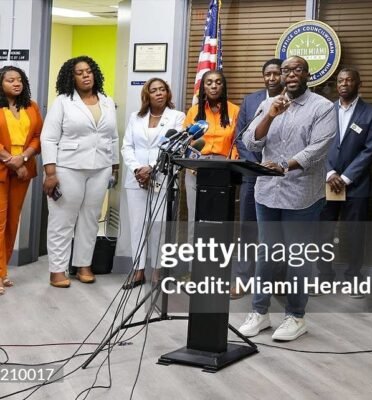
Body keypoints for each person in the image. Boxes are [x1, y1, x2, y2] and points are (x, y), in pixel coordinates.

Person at [239, 56, 336, 341]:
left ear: (308, 74)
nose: (291, 74)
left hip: (301, 194)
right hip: (267, 192)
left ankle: (295, 316)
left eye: (297, 70)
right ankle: (259, 312)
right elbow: (250, 141)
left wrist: (284, 166)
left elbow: (318, 149)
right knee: (266, 253)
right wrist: (270, 115)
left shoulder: (322, 107)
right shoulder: (269, 103)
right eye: (286, 71)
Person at [41, 56, 119, 288]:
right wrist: (50, 172)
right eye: (79, 72)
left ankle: (84, 265)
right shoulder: (63, 102)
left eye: (88, 71)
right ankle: (57, 269)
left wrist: (114, 166)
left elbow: (113, 137)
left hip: (100, 167)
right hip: (68, 167)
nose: (85, 75)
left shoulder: (106, 101)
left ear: (95, 74)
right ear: (71, 77)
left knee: (90, 219)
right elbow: (48, 138)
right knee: (62, 219)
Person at [315, 68, 372, 298]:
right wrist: (330, 173)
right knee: (323, 233)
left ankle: (354, 276)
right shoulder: (325, 110)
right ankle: (324, 275)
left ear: (359, 84)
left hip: (356, 184)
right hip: (327, 181)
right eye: (341, 80)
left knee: (355, 234)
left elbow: (370, 149)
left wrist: (345, 178)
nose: (344, 84)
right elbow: (317, 144)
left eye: (349, 80)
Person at [121, 78, 185, 289]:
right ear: (147, 95)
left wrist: (151, 168)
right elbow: (127, 146)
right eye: (154, 90)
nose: (158, 93)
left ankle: (157, 271)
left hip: (162, 177)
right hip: (136, 178)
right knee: (137, 225)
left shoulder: (177, 117)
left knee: (159, 226)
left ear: (168, 93)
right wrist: (137, 169)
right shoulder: (135, 117)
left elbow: (174, 147)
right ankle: (138, 271)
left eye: (162, 89)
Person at [230, 58, 283, 299]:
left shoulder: (292, 100)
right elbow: (240, 136)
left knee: (276, 230)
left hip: (281, 174)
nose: (272, 78)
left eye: (276, 73)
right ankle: (243, 278)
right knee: (248, 228)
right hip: (252, 174)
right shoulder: (251, 100)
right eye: (267, 74)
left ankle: (275, 280)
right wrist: (255, 164)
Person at [0, 66, 42, 295]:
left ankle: (2, 272)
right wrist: (11, 161)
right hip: (3, 166)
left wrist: (23, 158)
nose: (16, 83)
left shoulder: (31, 106)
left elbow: (38, 136)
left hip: (23, 170)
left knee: (12, 222)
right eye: (10, 80)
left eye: (19, 80)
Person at [183, 70, 239, 227]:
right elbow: (187, 141)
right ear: (203, 87)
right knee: (195, 215)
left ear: (223, 86)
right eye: (209, 83)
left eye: (218, 82)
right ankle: (194, 244)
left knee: (219, 215)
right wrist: (192, 164)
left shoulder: (234, 110)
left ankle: (218, 245)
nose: (214, 86)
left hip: (223, 166)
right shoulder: (194, 111)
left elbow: (237, 141)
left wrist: (230, 164)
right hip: (196, 166)